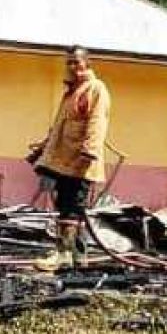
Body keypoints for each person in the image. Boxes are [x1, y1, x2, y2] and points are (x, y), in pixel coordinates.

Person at [28, 46, 111, 272]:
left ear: (87, 63)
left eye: (77, 62)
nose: (73, 67)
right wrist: (43, 149)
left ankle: (63, 255)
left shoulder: (95, 89)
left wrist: (89, 154)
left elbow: (97, 124)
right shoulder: (72, 92)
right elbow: (59, 129)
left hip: (79, 162)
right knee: (70, 208)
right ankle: (78, 259)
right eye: (69, 63)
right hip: (63, 162)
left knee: (72, 209)